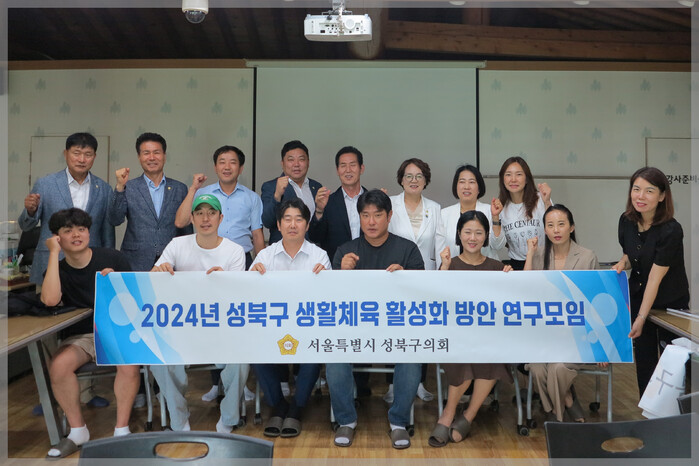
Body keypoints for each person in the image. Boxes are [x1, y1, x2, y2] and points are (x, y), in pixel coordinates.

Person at [328, 189, 424, 450]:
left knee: (412, 353)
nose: (371, 222)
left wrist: (407, 278)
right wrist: (341, 273)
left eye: (378, 215)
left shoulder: (407, 249)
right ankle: (346, 420)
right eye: (365, 215)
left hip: (396, 327)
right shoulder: (346, 251)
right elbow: (332, 298)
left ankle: (399, 422)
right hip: (354, 327)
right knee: (334, 353)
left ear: (389, 216)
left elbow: (420, 296)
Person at [40, 208, 139, 458]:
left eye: (81, 229)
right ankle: (77, 431)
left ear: (89, 232)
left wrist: (117, 283)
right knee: (58, 366)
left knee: (128, 364)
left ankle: (121, 430)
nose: (76, 235)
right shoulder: (57, 269)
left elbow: (135, 300)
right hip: (82, 336)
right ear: (57, 237)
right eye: (68, 231)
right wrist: (52, 253)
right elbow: (50, 300)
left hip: (117, 330)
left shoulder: (112, 258)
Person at [151, 194, 249, 433]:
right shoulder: (177, 245)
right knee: (159, 358)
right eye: (200, 213)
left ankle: (229, 418)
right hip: (182, 328)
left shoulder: (235, 251)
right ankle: (178, 418)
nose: (206, 219)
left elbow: (239, 297)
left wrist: (225, 282)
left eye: (211, 213)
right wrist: (160, 270)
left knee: (242, 356)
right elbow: (151, 279)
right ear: (192, 219)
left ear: (220, 218)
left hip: (222, 328)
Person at [174, 145, 263, 403]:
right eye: (222, 161)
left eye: (232, 162)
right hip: (207, 262)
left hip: (241, 261)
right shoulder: (203, 194)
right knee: (211, 319)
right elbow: (180, 222)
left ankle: (239, 383)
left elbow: (257, 234)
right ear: (215, 166)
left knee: (237, 321)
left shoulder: (251, 198)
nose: (227, 166)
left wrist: (261, 265)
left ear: (241, 167)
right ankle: (216, 383)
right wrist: (193, 189)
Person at [430, 210, 512, 447]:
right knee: (465, 354)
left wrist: (511, 279)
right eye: (467, 232)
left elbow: (509, 305)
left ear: (486, 236)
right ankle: (448, 413)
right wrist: (444, 268)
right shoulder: (450, 264)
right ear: (459, 234)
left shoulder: (497, 267)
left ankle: (468, 415)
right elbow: (435, 301)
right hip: (456, 337)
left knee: (494, 356)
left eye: (478, 233)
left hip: (488, 338)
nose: (472, 238)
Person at [250, 199, 330, 438]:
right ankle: (278, 405)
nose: (293, 225)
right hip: (272, 327)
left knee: (315, 351)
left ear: (307, 225)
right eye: (287, 219)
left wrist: (325, 278)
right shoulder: (265, 255)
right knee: (254, 350)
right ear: (278, 225)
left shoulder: (319, 256)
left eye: (298, 219)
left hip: (307, 327)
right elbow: (250, 295)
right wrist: (252, 277)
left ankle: (296, 408)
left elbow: (326, 298)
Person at [612, 167, 690, 397]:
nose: (641, 196)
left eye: (649, 191)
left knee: (672, 362)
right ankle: (648, 411)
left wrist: (641, 318)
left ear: (662, 196)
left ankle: (674, 412)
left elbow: (655, 278)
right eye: (636, 189)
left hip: (669, 305)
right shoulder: (626, 221)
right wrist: (622, 263)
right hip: (639, 297)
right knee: (645, 361)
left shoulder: (671, 230)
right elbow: (632, 255)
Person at [523, 204, 601, 423]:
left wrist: (601, 346)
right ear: (544, 230)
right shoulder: (539, 256)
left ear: (571, 227)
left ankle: (555, 418)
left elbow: (596, 302)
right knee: (537, 368)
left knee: (558, 368)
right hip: (545, 335)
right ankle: (567, 400)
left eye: (561, 224)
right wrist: (530, 254)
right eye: (550, 225)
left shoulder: (587, 256)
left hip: (577, 336)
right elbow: (525, 289)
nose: (556, 230)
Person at [18, 132, 114, 285]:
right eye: (76, 153)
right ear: (65, 154)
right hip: (51, 262)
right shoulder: (45, 184)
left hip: (90, 266)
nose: (82, 159)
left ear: (94, 157)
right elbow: (26, 226)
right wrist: (30, 211)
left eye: (88, 154)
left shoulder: (104, 189)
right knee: (48, 300)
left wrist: (109, 262)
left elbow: (108, 233)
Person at [386, 158, 446, 402]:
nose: (413, 180)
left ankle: (419, 382)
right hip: (395, 276)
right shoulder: (389, 204)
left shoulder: (435, 208)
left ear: (426, 180)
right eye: (408, 176)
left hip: (425, 278)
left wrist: (441, 274)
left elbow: (439, 244)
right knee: (394, 328)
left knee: (421, 329)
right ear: (401, 180)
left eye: (419, 176)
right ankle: (392, 384)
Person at [108, 132, 192, 271]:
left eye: (156, 152)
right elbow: (115, 219)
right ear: (139, 157)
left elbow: (186, 231)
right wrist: (120, 187)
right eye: (146, 153)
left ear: (164, 156)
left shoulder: (179, 188)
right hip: (136, 260)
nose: (152, 157)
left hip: (172, 261)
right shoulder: (129, 187)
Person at [308, 146, 366, 264]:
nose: (348, 170)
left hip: (369, 266)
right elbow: (315, 237)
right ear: (337, 170)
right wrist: (319, 210)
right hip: (337, 267)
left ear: (361, 168)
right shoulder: (328, 202)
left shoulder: (372, 201)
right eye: (343, 165)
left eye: (353, 165)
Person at [261, 140, 322, 244]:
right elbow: (267, 222)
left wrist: (320, 211)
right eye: (291, 160)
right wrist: (277, 195)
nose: (296, 164)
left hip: (312, 249)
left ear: (308, 162)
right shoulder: (271, 186)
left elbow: (321, 227)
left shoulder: (316, 187)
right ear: (282, 163)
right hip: (283, 250)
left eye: (301, 159)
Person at [497, 156, 552, 270]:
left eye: (518, 174)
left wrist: (547, 202)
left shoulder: (541, 199)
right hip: (516, 264)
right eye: (508, 174)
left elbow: (553, 228)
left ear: (527, 179)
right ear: (502, 179)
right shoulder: (500, 207)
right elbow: (499, 243)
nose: (513, 179)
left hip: (544, 261)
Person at [441, 164, 506, 260]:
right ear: (456, 186)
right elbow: (440, 249)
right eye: (462, 182)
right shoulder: (444, 214)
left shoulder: (490, 211)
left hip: (485, 267)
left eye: (471, 182)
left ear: (479, 188)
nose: (466, 187)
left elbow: (498, 246)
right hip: (454, 267)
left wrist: (495, 218)